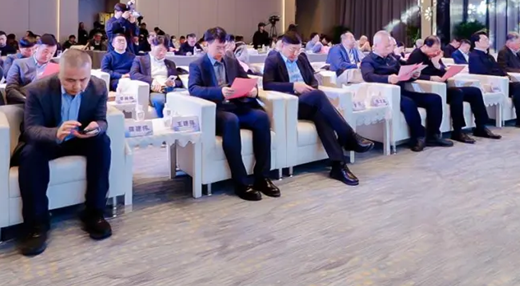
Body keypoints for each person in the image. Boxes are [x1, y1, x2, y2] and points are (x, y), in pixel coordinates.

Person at [13, 49, 112, 256]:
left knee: (102, 143)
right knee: (30, 154)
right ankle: (36, 225)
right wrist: (55, 133)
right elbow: (31, 129)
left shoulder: (98, 87)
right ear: (59, 73)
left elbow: (102, 119)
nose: (77, 86)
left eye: (83, 80)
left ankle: (94, 213)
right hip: (48, 140)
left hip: (79, 138)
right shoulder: (38, 89)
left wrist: (97, 127)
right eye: (70, 80)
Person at [263, 32, 374, 185]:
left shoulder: (302, 58)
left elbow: (313, 81)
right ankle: (349, 136)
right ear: (282, 46)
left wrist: (308, 89)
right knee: (318, 96)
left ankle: (338, 165)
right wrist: (293, 86)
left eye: (298, 50)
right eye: (292, 50)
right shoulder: (273, 59)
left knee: (321, 116)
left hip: (309, 102)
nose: (295, 54)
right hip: (290, 104)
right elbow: (267, 84)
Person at [188, 27, 280, 201]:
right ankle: (241, 182)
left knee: (261, 117)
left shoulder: (231, 60)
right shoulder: (197, 65)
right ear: (207, 44)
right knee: (231, 121)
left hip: (236, 106)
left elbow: (247, 80)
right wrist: (219, 92)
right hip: (216, 110)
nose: (222, 51)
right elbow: (193, 89)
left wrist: (253, 90)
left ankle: (262, 177)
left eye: (224, 47)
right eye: (218, 47)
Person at [360, 30, 449, 152]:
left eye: (390, 45)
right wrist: (387, 78)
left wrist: (413, 75)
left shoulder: (391, 59)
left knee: (435, 99)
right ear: (375, 45)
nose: (390, 48)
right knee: (409, 103)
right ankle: (418, 136)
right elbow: (368, 76)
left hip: (402, 90)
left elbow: (403, 73)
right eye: (386, 46)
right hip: (387, 95)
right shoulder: (368, 60)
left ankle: (433, 135)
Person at [406, 36, 501, 142]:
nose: (435, 53)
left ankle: (481, 126)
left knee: (475, 91)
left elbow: (443, 72)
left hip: (444, 86)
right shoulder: (416, 56)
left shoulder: (435, 56)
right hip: (432, 89)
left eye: (438, 50)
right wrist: (430, 78)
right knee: (457, 93)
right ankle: (457, 131)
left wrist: (437, 65)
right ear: (425, 46)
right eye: (434, 50)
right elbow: (410, 74)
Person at [468, 31, 520, 130]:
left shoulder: (489, 56)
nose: (488, 41)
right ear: (476, 43)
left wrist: (507, 76)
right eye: (485, 40)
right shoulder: (474, 56)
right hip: (493, 83)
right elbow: (481, 72)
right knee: (519, 86)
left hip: (502, 80)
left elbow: (499, 69)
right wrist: (502, 77)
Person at [130, 35, 183, 118]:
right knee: (160, 101)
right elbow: (133, 74)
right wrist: (152, 81)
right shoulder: (140, 60)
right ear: (152, 46)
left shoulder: (170, 63)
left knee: (186, 99)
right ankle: (165, 121)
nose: (162, 53)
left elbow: (179, 81)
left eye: (165, 51)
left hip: (170, 89)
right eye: (159, 50)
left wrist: (173, 83)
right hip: (155, 90)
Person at [6, 34, 59, 104]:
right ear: (36, 48)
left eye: (52, 53)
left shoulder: (57, 65)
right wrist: (27, 100)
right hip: (25, 102)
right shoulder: (19, 64)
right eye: (45, 51)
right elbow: (10, 89)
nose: (48, 55)